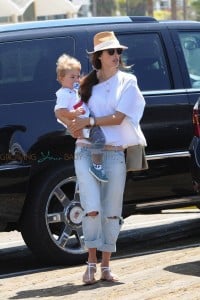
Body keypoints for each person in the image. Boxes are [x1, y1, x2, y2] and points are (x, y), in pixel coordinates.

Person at [56, 31, 146, 284]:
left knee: (111, 212)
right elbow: (67, 110)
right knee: (92, 208)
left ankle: (106, 267)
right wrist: (72, 125)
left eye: (119, 51)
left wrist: (90, 121)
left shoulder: (128, 81)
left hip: (115, 153)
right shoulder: (84, 83)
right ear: (98, 56)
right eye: (111, 52)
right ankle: (90, 264)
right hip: (85, 152)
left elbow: (119, 117)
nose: (116, 55)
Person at [54, 53, 108, 182]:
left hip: (86, 117)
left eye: (78, 76)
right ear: (61, 78)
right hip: (81, 121)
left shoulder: (72, 90)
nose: (76, 80)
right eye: (72, 77)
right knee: (99, 139)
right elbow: (61, 111)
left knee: (99, 135)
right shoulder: (63, 94)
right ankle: (97, 166)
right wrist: (75, 113)